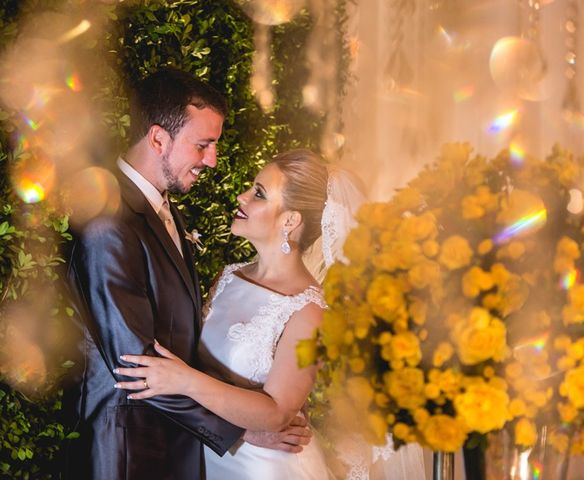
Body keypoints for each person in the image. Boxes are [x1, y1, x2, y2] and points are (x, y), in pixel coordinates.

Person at [63, 68, 310, 480]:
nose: (211, 161)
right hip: (126, 451)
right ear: (159, 138)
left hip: (174, 447)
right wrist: (243, 429)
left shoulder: (163, 209)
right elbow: (136, 365)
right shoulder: (109, 219)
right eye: (203, 145)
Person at [114, 149, 367, 479]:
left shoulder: (311, 313)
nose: (242, 196)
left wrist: (184, 380)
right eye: (251, 187)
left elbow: (277, 413)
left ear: (290, 220)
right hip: (207, 455)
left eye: (259, 193)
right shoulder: (229, 276)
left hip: (262, 469)